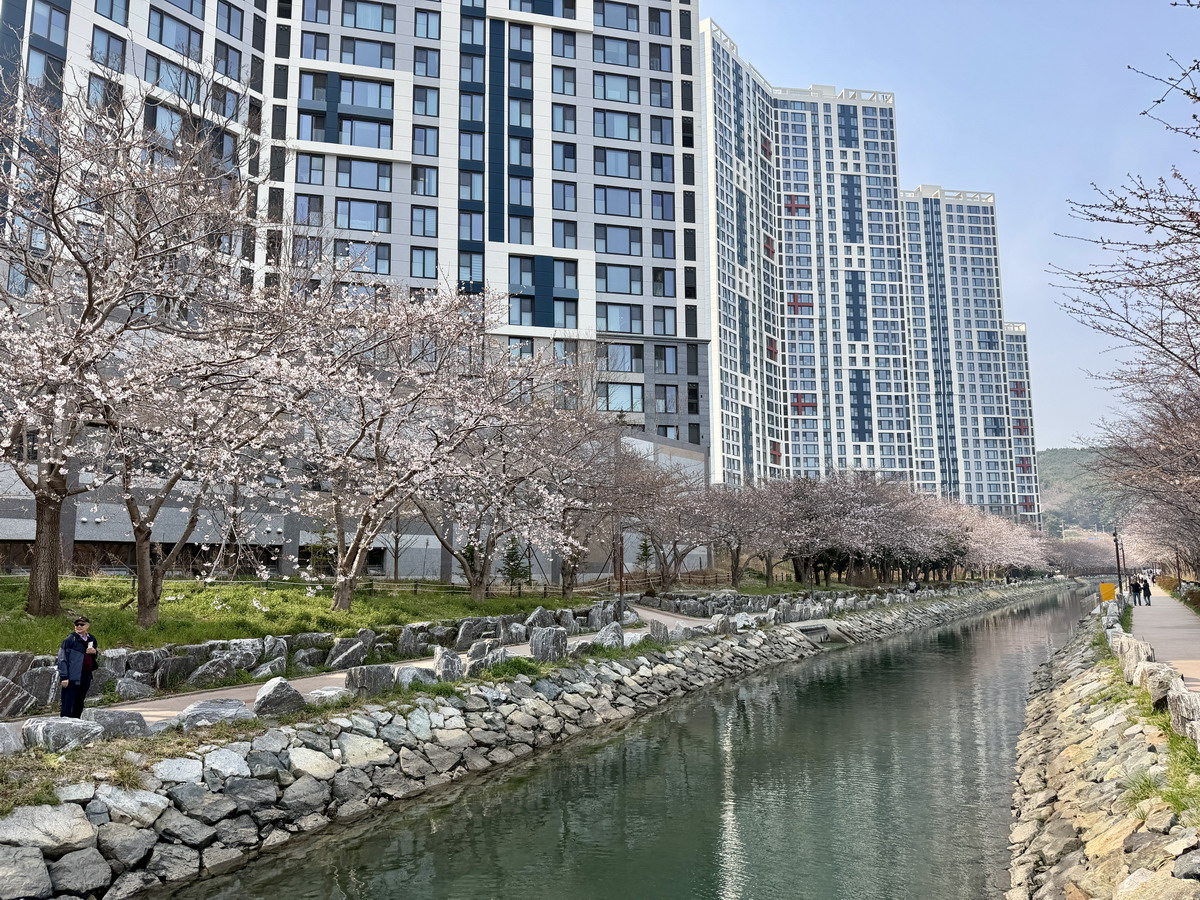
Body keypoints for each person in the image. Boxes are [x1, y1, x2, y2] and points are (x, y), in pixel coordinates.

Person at [57, 616, 99, 719]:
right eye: (77, 625)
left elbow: (93, 656)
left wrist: (95, 652)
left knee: (79, 702)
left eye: (82, 624)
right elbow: (62, 659)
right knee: (67, 703)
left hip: (85, 674)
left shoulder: (92, 639)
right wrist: (64, 677)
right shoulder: (69, 640)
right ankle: (64, 725)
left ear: (87, 626)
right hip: (72, 676)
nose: (79, 626)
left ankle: (76, 723)